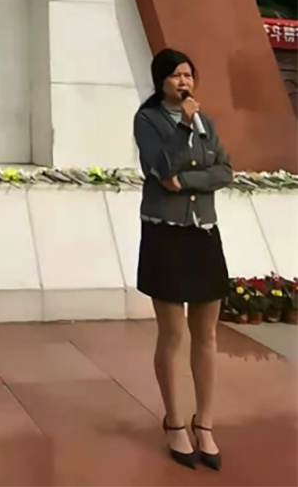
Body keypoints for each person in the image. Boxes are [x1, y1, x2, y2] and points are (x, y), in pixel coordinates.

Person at [134, 48, 233, 471]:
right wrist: (184, 128)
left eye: (189, 75)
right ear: (161, 81)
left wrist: (186, 181)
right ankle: (174, 420)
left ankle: (204, 423)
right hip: (166, 234)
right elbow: (161, 167)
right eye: (176, 75)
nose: (184, 82)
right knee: (173, 334)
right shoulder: (148, 120)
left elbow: (225, 170)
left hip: (203, 232)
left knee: (206, 334)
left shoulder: (205, 120)